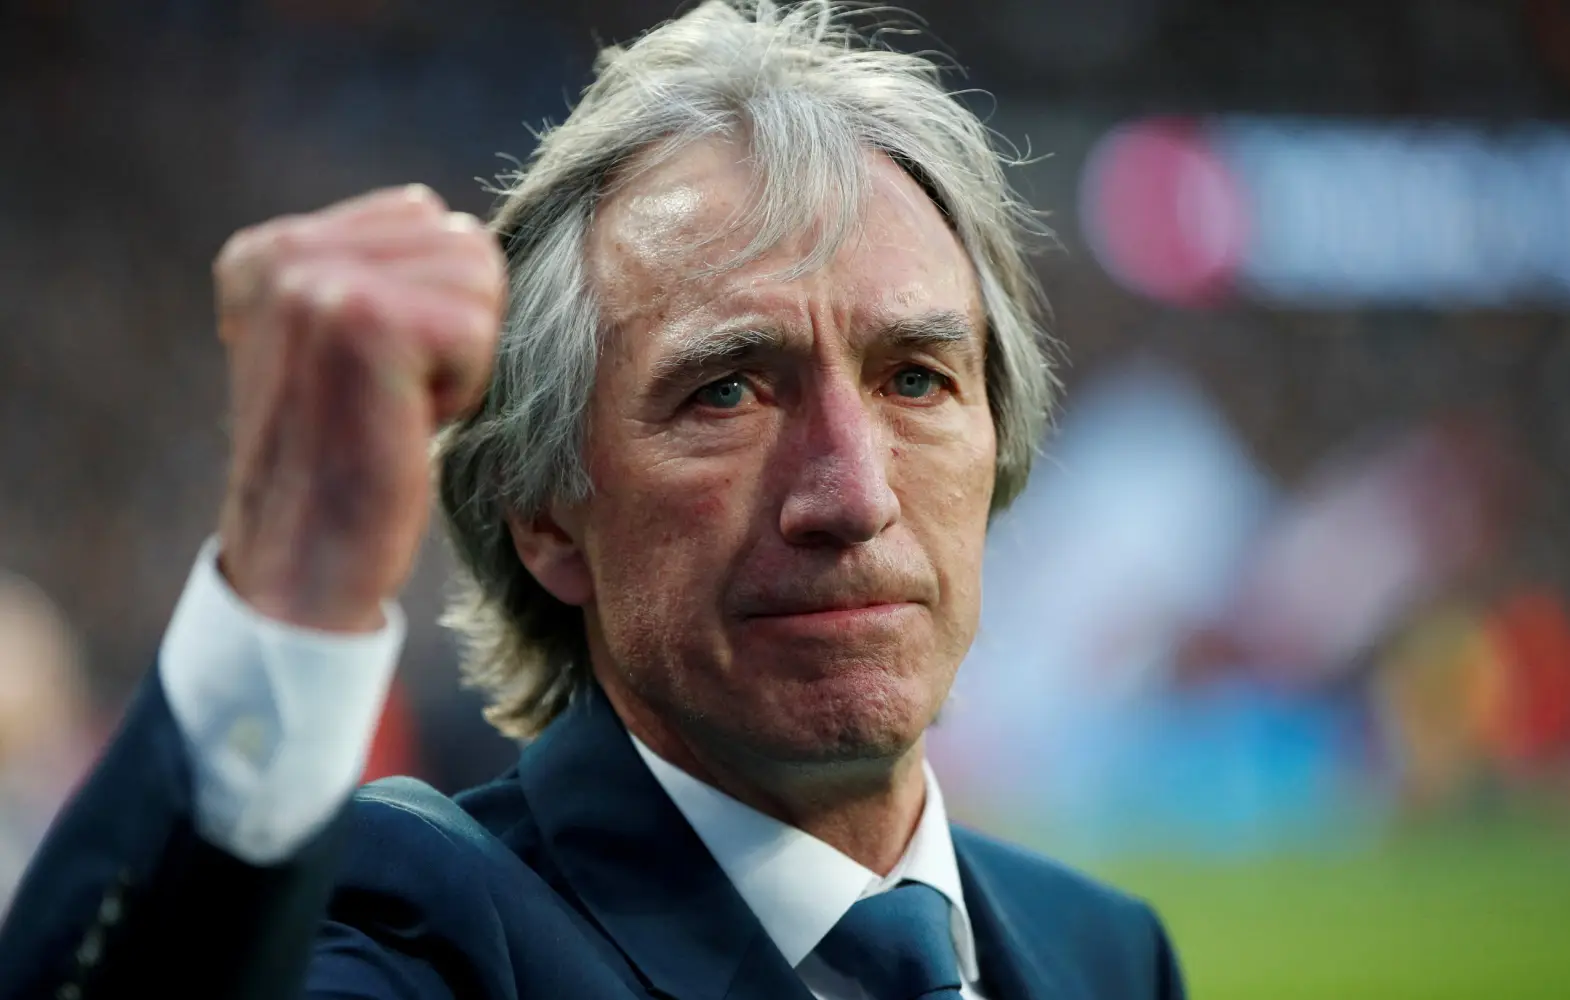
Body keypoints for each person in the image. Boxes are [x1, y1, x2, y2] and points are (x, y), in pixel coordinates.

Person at [0, 2, 1185, 997]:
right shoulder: (413, 925)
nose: (853, 492)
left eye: (916, 378)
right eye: (727, 390)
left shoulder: (1104, 952)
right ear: (545, 512)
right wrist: (290, 591)